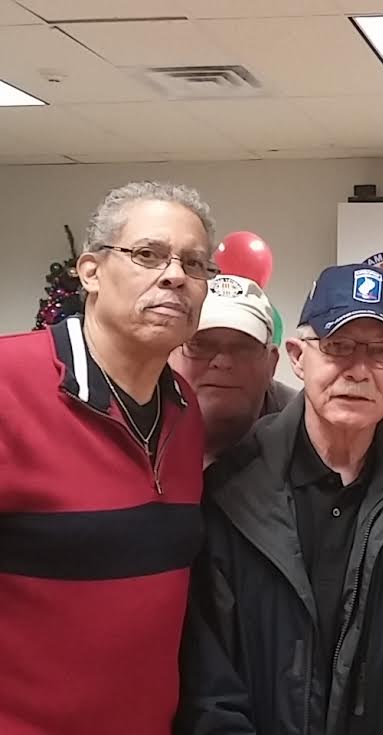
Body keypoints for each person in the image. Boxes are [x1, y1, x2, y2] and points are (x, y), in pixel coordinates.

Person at [176, 263, 383, 735]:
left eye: (381, 352)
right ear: (297, 357)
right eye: (338, 346)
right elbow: (207, 684)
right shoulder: (229, 492)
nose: (358, 371)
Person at [0, 181, 216, 735]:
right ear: (90, 272)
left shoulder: (184, 410)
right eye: (148, 254)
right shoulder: (8, 383)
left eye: (194, 264)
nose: (175, 276)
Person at [169, 274, 295, 466]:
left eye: (243, 348)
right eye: (201, 345)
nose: (223, 362)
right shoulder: (135, 423)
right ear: (168, 354)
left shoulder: (307, 435)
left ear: (272, 362)